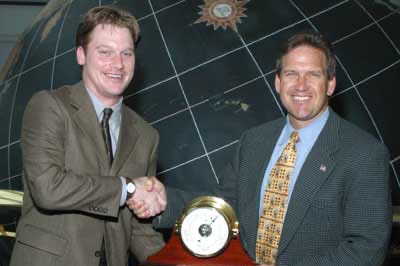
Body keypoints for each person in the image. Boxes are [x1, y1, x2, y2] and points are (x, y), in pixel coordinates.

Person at [129, 31, 392, 266]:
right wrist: (162, 202)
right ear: (278, 83)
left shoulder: (363, 154)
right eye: (291, 74)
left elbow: (366, 250)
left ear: (330, 84)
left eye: (313, 74)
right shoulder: (254, 142)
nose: (301, 85)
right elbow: (224, 205)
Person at [10, 6, 167, 266]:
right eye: (105, 52)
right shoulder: (49, 107)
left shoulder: (147, 136)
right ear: (81, 55)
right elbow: (48, 188)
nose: (118, 64)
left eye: (126, 53)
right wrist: (127, 189)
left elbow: (138, 229)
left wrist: (175, 261)